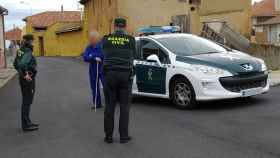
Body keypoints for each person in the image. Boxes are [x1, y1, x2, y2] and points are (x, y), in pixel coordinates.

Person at [102, 18, 136, 144]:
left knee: (109, 107)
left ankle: (108, 136)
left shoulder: (106, 39)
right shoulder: (131, 40)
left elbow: (104, 52)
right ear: (125, 27)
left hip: (110, 75)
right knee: (124, 107)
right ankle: (123, 136)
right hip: (125, 76)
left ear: (114, 26)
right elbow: (134, 55)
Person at [13, 34, 39, 132]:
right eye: (33, 40)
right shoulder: (27, 50)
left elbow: (15, 64)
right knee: (27, 102)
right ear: (30, 41)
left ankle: (27, 122)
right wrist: (25, 74)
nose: (33, 42)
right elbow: (22, 64)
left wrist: (22, 74)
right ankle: (26, 125)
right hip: (28, 80)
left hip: (23, 79)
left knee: (26, 101)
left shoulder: (21, 50)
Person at [83, 31, 104, 110]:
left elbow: (103, 55)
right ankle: (97, 103)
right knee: (94, 87)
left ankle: (110, 103)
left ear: (97, 39)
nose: (91, 40)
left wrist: (92, 55)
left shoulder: (102, 46)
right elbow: (85, 57)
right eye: (90, 39)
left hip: (102, 69)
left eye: (92, 38)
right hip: (93, 70)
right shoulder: (89, 47)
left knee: (106, 87)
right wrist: (93, 58)